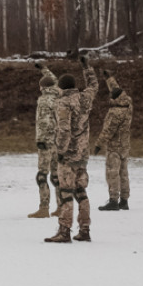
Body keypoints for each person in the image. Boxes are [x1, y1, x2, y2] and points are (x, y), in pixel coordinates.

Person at [45, 55, 98, 243]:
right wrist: (87, 68)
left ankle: (64, 230)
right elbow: (93, 86)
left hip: (68, 155)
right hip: (83, 153)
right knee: (81, 191)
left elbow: (64, 130)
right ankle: (85, 229)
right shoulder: (85, 98)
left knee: (65, 192)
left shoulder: (63, 103)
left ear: (61, 87)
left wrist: (60, 151)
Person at [95, 70, 132, 211]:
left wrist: (98, 144)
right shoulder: (128, 104)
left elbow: (107, 131)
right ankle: (124, 200)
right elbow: (117, 90)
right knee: (124, 173)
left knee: (112, 172)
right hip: (125, 146)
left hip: (114, 147)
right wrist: (109, 78)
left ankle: (113, 200)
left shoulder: (115, 112)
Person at [29, 63, 62, 218]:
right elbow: (53, 79)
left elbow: (45, 121)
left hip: (47, 142)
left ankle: (44, 207)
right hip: (59, 141)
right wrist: (44, 68)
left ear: (42, 87)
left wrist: (42, 140)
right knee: (56, 175)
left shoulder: (44, 100)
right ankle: (61, 206)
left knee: (42, 175)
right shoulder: (59, 94)